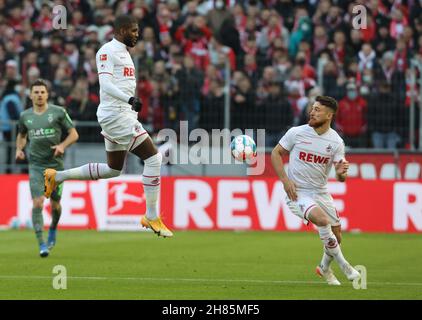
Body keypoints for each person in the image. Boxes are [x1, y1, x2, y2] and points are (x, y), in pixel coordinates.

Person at [43, 15, 173, 238]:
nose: (137, 34)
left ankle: (57, 176)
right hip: (116, 116)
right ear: (121, 30)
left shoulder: (124, 52)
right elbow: (105, 83)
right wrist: (129, 99)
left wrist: (128, 102)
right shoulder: (107, 51)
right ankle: (151, 216)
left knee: (113, 169)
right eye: (133, 30)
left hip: (120, 115)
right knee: (154, 158)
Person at [271, 95, 360, 286]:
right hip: (297, 192)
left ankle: (324, 268)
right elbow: (275, 153)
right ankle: (345, 266)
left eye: (317, 110)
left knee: (336, 235)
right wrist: (285, 181)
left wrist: (341, 173)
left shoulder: (336, 142)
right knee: (322, 220)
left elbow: (341, 177)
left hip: (321, 192)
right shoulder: (296, 132)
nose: (312, 112)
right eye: (312, 108)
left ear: (329, 115)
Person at [16, 79, 79, 257]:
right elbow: (21, 135)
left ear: (47, 94)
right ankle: (41, 244)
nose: (39, 95)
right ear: (30, 95)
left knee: (56, 205)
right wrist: (19, 149)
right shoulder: (25, 116)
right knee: (37, 202)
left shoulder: (59, 112)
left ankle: (53, 227)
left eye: (42, 92)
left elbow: (74, 134)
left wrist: (62, 146)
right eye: (36, 92)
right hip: (35, 166)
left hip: (55, 167)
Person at [0, 80, 24, 173]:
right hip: (11, 128)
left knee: (11, 149)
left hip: (7, 128)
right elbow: (13, 113)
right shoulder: (12, 98)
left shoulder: (8, 97)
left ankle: (9, 169)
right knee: (17, 148)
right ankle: (22, 169)